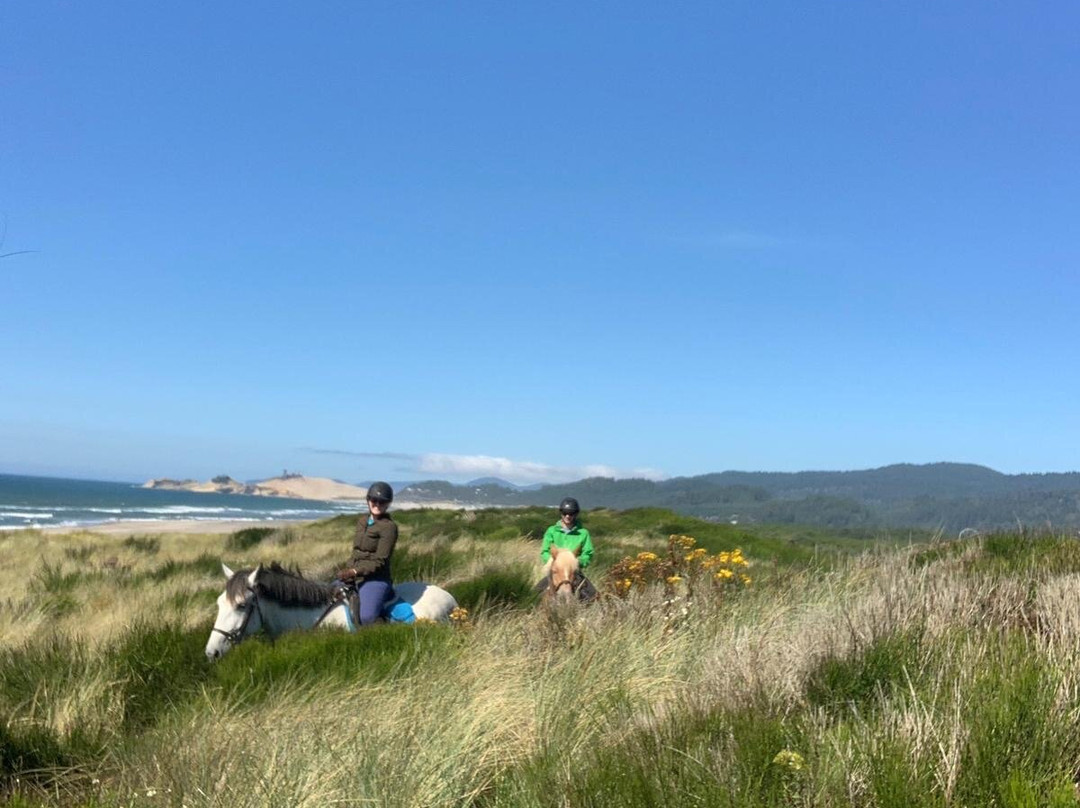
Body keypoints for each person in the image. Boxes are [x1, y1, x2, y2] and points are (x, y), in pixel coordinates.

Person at [337, 481, 398, 625]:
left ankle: (385, 633)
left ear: (388, 503)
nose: (377, 504)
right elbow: (356, 551)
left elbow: (380, 561)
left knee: (367, 617)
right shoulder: (362, 521)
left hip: (376, 578)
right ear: (368, 500)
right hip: (354, 576)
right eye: (373, 500)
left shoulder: (389, 528)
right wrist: (347, 570)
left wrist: (354, 571)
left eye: (382, 502)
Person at [537, 496, 597, 601]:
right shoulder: (551, 531)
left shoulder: (583, 533)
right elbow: (545, 551)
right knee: (535, 593)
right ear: (561, 513)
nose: (568, 516)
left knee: (593, 596)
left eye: (571, 513)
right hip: (555, 570)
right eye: (565, 513)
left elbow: (588, 553)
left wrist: (578, 562)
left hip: (574, 571)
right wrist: (552, 562)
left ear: (576, 514)